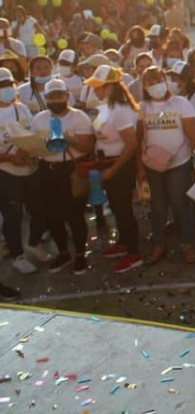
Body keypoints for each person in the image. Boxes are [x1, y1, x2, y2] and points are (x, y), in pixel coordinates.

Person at [31, 79, 95, 274]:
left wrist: (70, 139)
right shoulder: (39, 119)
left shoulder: (79, 117)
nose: (56, 100)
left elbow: (87, 147)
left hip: (71, 170)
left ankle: (80, 255)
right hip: (47, 169)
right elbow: (34, 145)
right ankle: (63, 252)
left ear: (67, 96)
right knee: (52, 215)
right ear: (46, 98)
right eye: (52, 97)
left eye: (60, 95)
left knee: (75, 215)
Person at [138, 67, 195, 265]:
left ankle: (188, 244)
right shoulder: (142, 107)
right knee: (157, 206)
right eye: (149, 82)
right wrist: (140, 168)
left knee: (181, 204)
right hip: (152, 164)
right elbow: (139, 138)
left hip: (179, 162)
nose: (154, 84)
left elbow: (194, 137)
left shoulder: (181, 103)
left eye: (158, 79)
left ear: (165, 81)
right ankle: (159, 244)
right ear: (144, 87)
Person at [84, 65, 142, 273]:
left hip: (120, 165)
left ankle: (134, 253)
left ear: (109, 87)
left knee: (124, 209)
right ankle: (124, 243)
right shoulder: (107, 108)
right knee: (117, 208)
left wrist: (114, 169)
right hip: (107, 163)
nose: (95, 90)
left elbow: (132, 143)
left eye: (98, 86)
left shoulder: (120, 111)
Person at [0, 67, 48, 275]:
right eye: (2, 86)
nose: (7, 89)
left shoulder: (23, 109)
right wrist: (11, 158)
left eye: (8, 84)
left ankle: (33, 242)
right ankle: (17, 255)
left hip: (30, 169)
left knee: (39, 210)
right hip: (6, 171)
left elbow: (32, 133)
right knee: (13, 215)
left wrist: (26, 150)